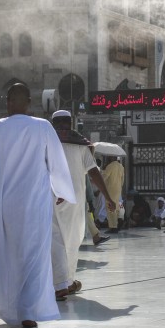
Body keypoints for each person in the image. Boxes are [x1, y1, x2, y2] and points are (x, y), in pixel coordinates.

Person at [0, 83, 74, 328]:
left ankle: (14, 309)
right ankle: (27, 313)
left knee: (8, 256)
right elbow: (56, 161)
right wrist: (61, 191)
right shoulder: (42, 126)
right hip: (35, 205)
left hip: (4, 206)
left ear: (8, 102)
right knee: (33, 257)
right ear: (29, 101)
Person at [49, 110, 115, 300]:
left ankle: (64, 282)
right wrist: (108, 198)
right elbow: (94, 173)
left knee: (56, 239)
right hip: (73, 200)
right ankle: (65, 283)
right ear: (71, 123)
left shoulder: (46, 143)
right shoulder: (80, 145)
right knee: (71, 239)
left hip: (51, 198)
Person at [102, 156, 125, 233]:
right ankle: (117, 222)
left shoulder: (110, 166)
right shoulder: (121, 166)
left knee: (110, 206)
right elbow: (122, 180)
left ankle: (113, 226)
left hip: (110, 189)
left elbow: (104, 177)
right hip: (118, 189)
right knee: (116, 206)